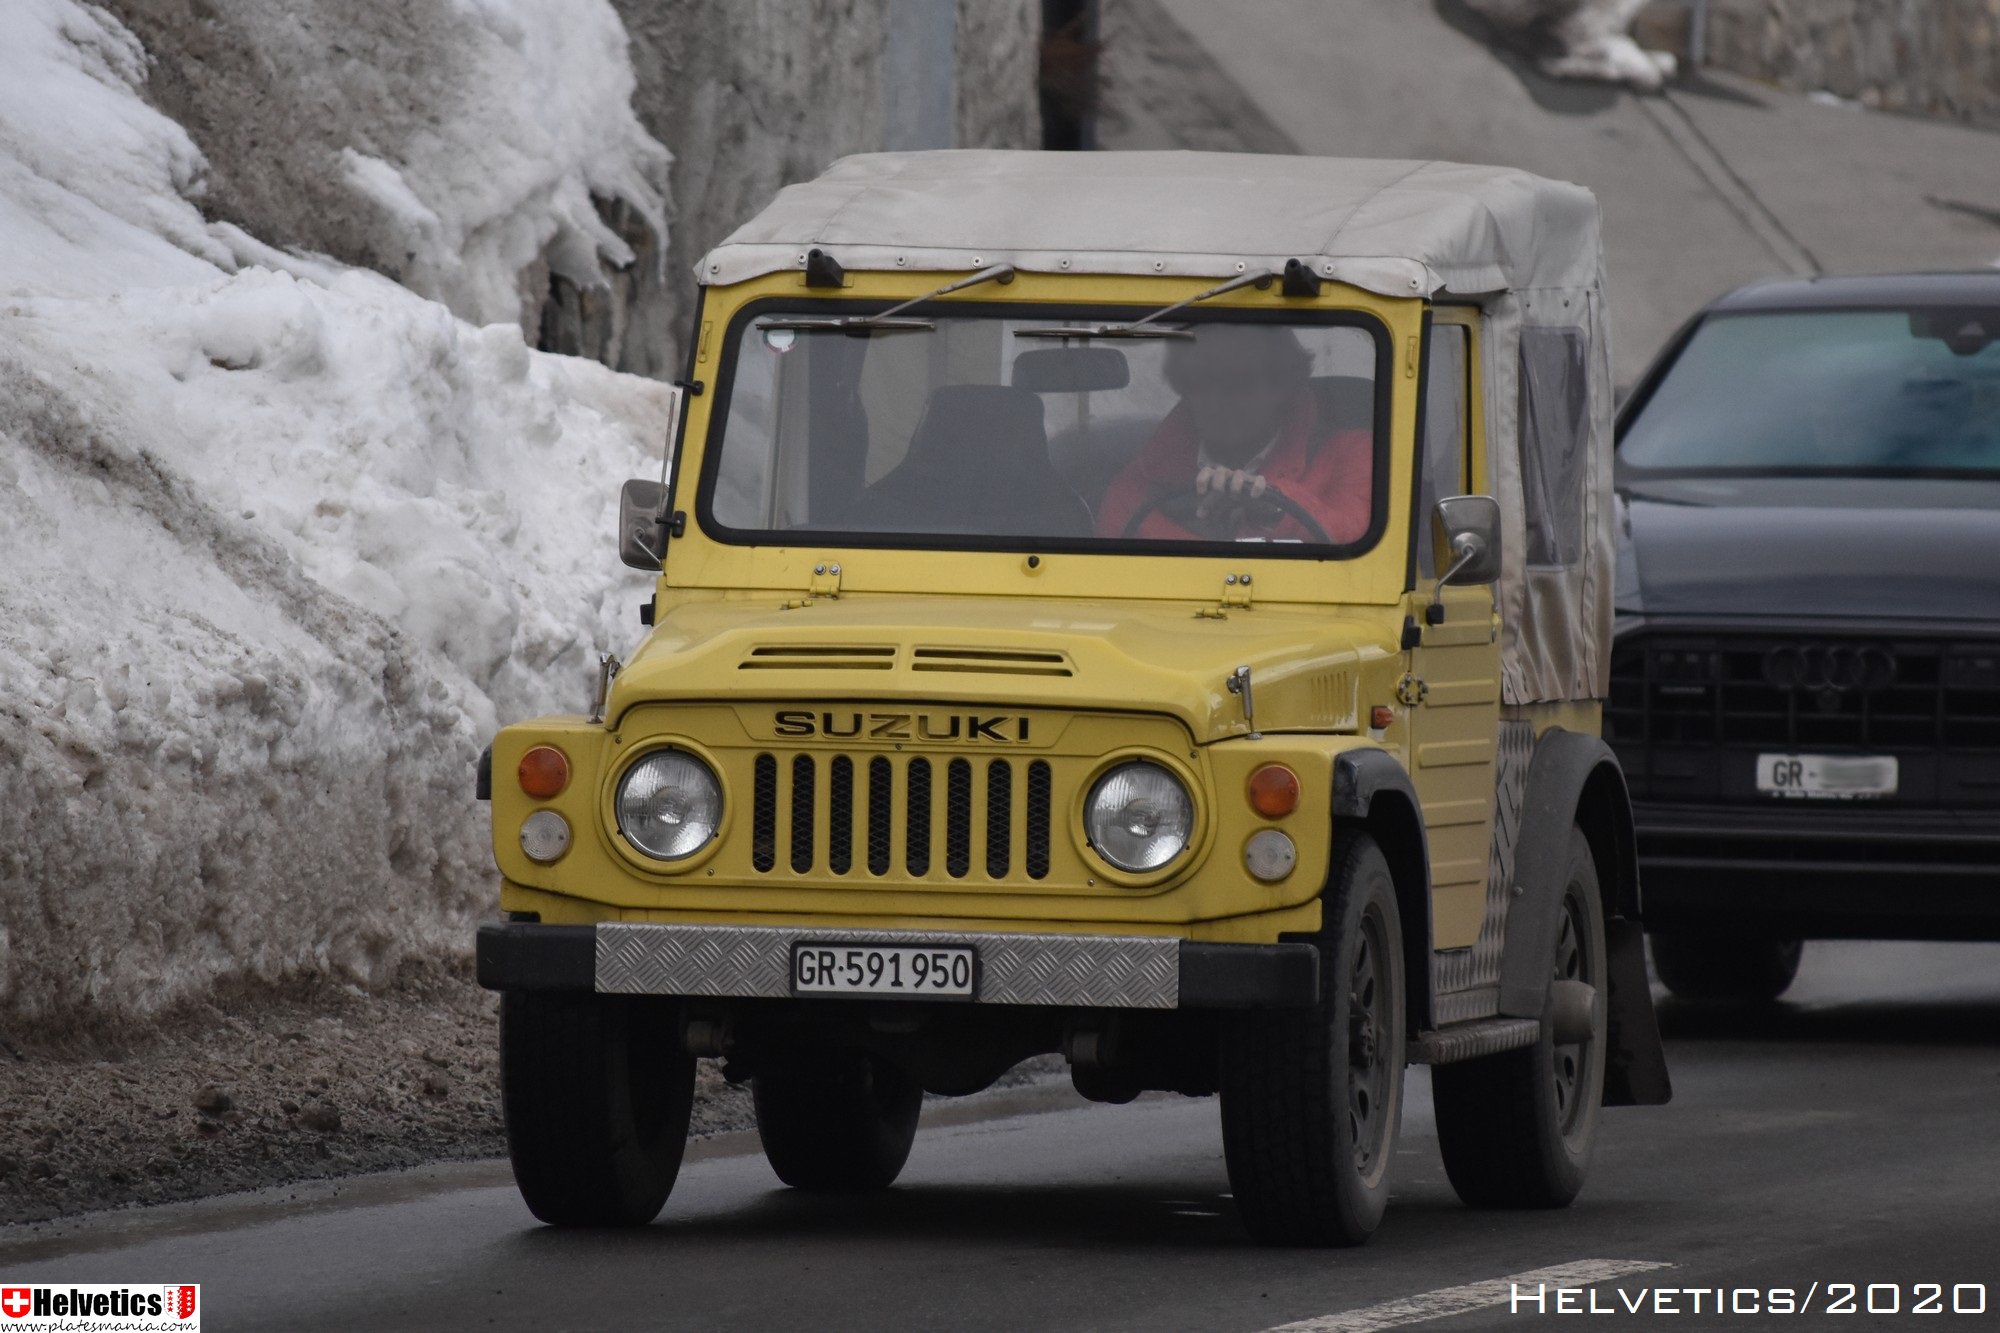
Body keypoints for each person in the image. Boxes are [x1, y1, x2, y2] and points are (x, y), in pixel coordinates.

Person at [1094, 324, 1372, 544]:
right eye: (1203, 381)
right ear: (1185, 388)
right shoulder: (1136, 488)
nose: (1219, 400)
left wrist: (1275, 506)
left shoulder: (1354, 454)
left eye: (1240, 382)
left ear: (1283, 386)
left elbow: (1358, 539)